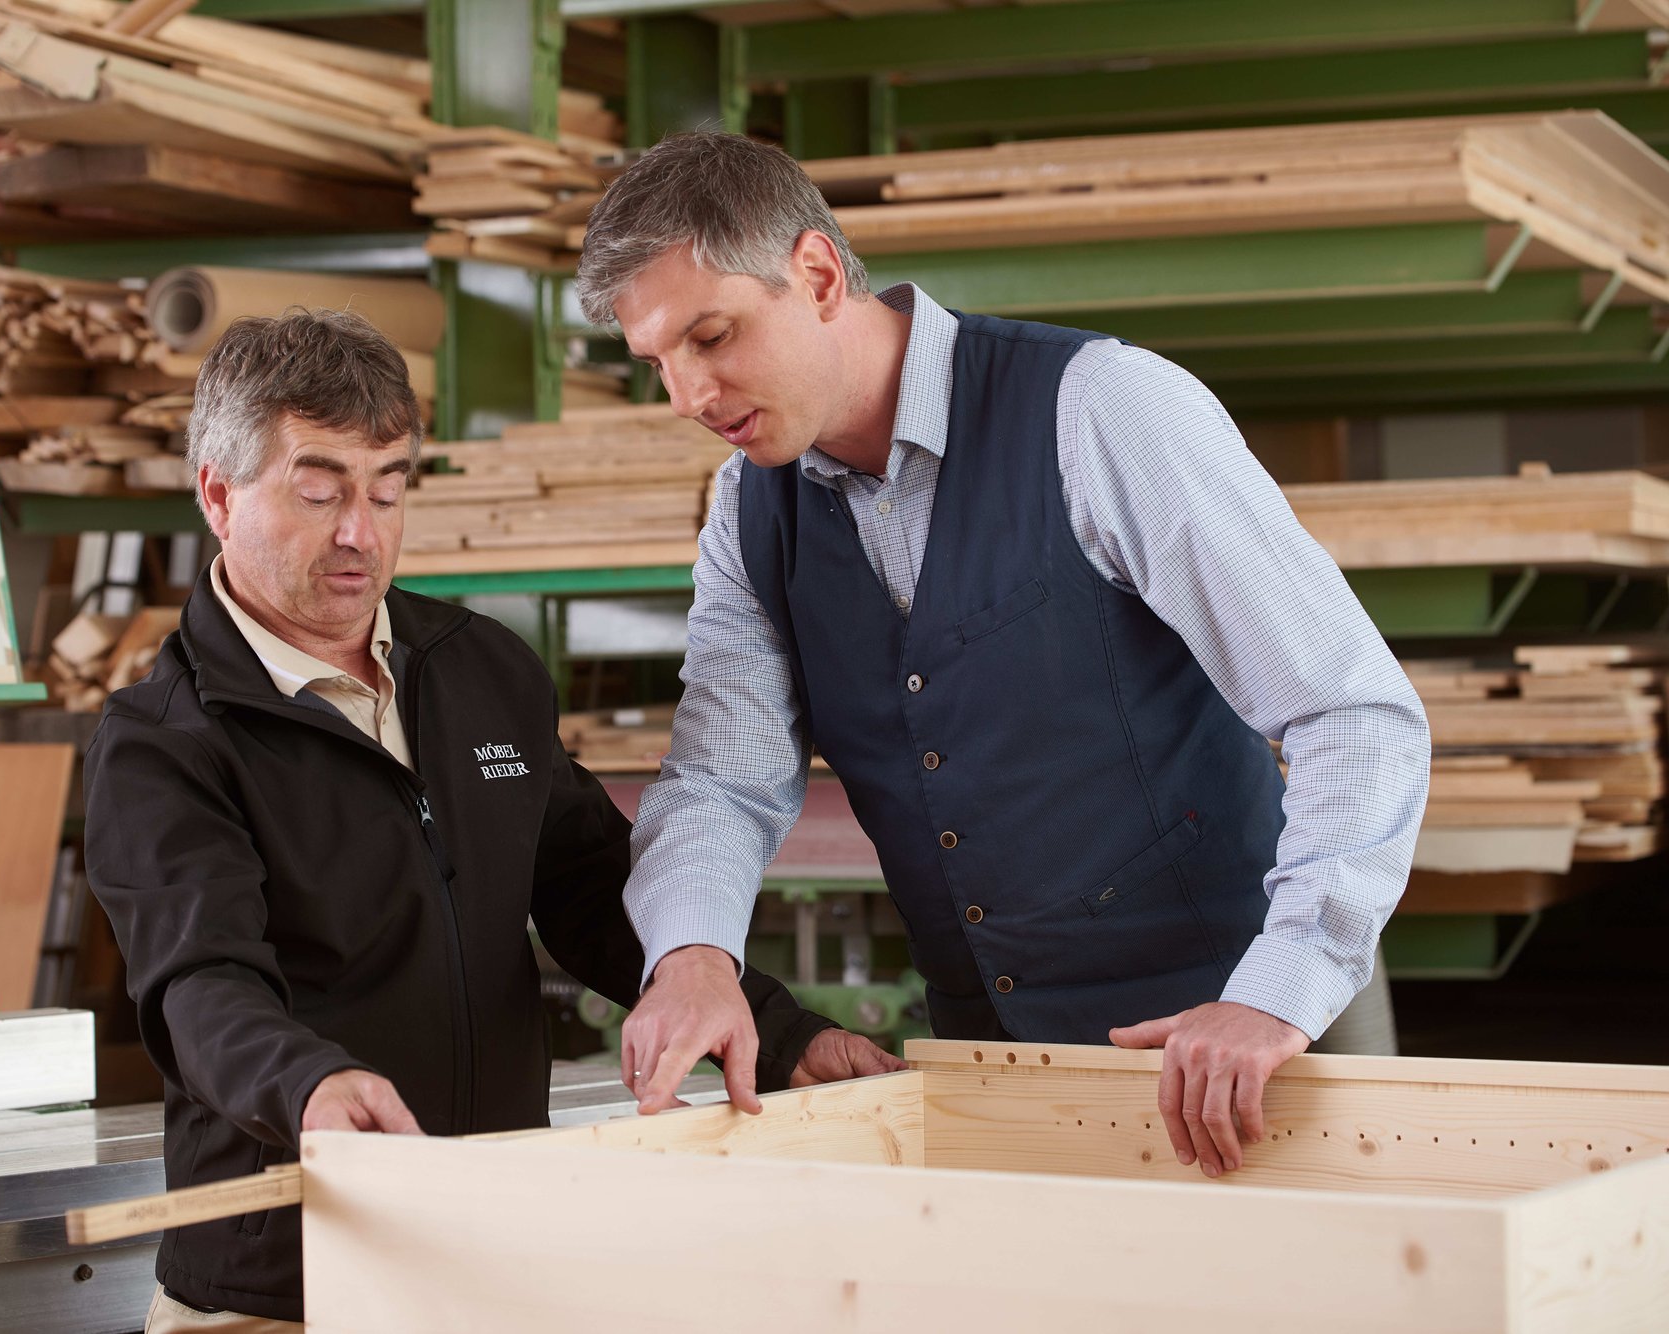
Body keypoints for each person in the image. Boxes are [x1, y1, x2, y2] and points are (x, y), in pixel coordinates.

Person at [576, 133, 1431, 1180]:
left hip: (1250, 1035)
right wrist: (692, 956)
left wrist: (1280, 981)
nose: (689, 395)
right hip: (997, 1053)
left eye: (711, 336)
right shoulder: (746, 512)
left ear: (813, 272)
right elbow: (720, 774)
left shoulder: (1101, 410)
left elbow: (1349, 713)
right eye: (659, 361)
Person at [84, 308, 897, 1332]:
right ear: (217, 490)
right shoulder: (164, 738)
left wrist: (780, 1032)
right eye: (320, 489)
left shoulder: (477, 666)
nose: (359, 533)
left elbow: (593, 888)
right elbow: (198, 982)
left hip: (488, 1257)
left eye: (387, 489)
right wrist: (308, 1084)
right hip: (286, 1281)